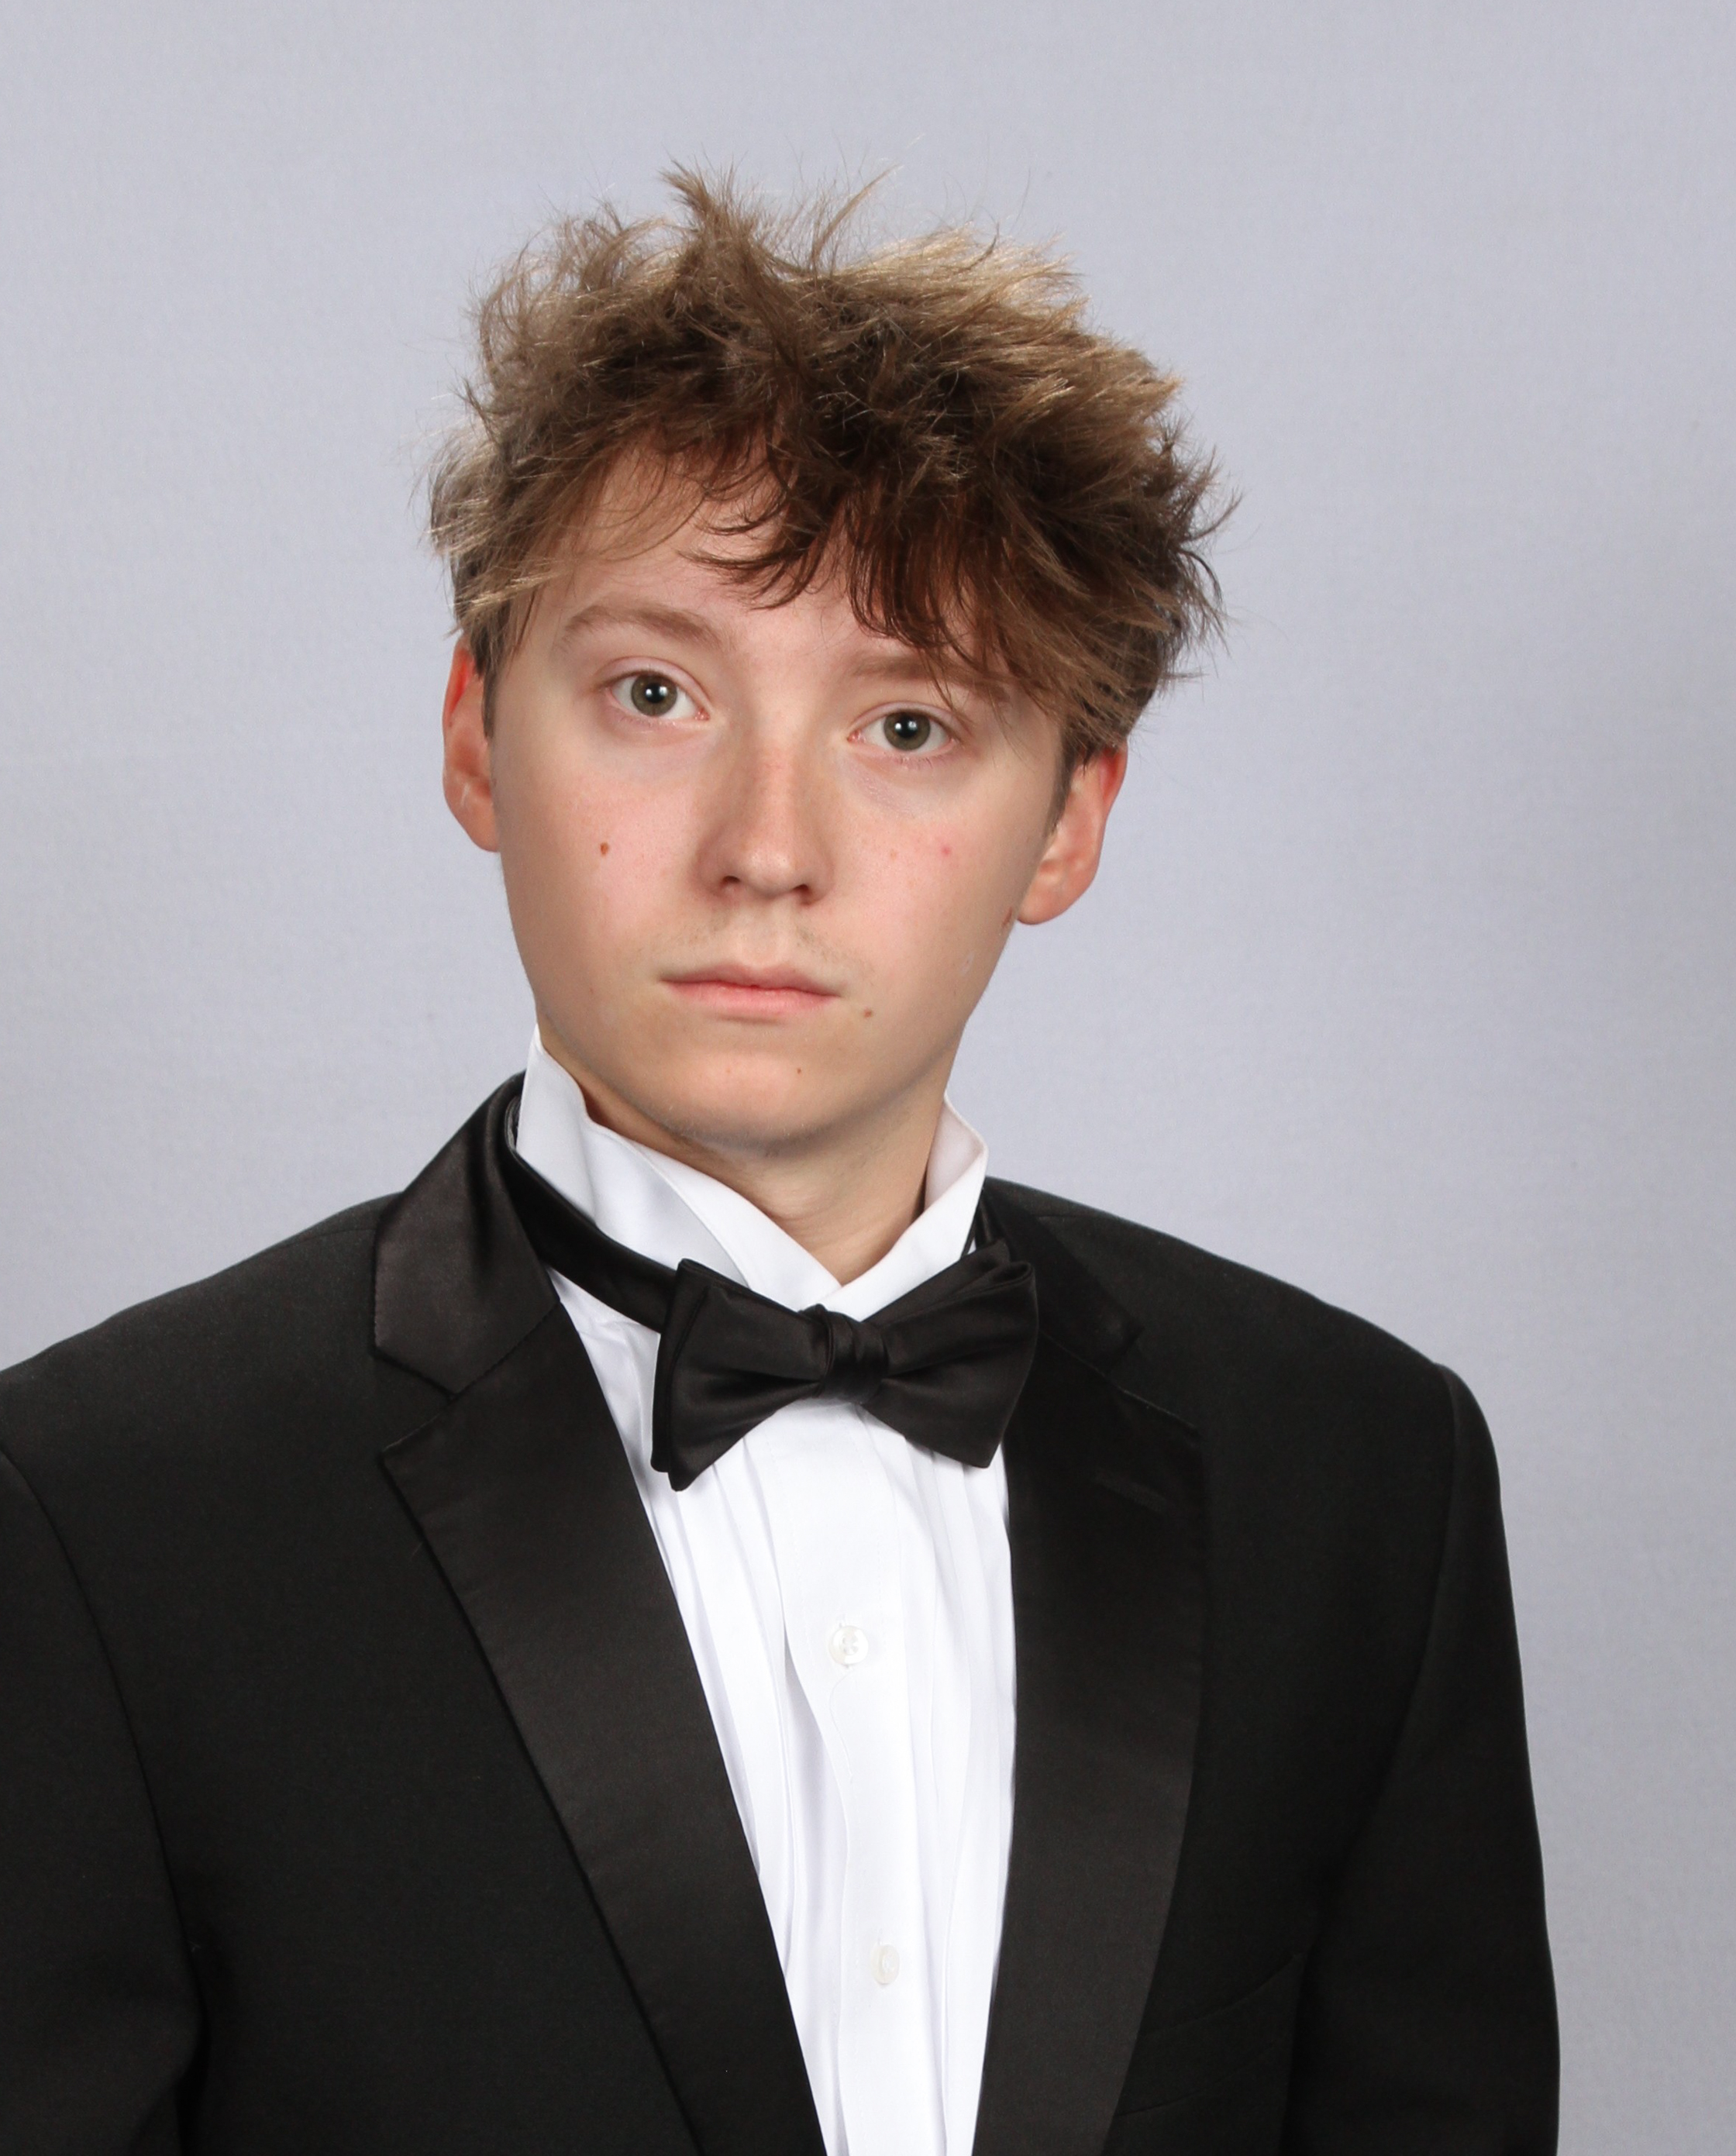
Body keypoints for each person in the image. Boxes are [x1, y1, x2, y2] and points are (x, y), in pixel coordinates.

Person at [0, 171, 1557, 2156]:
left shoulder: (1358, 1477)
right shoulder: (93, 1513)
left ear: (1070, 819)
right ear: (476, 735)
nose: (765, 847)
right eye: (654, 694)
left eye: (907, 724)